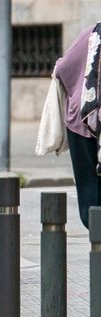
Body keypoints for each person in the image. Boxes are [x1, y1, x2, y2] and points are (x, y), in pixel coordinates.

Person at [38, 21, 101, 227]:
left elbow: (63, 68)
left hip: (84, 121)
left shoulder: (92, 34)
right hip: (85, 121)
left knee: (90, 184)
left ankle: (96, 231)